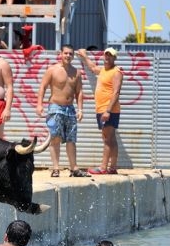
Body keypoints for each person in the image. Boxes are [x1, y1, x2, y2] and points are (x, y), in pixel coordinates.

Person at [36, 44, 88, 178]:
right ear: (61, 54)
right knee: (55, 138)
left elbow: (79, 92)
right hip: (55, 107)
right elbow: (43, 87)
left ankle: (74, 168)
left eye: (70, 54)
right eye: (66, 53)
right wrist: (39, 105)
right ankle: (55, 168)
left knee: (71, 139)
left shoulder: (76, 72)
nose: (68, 56)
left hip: (70, 109)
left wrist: (80, 109)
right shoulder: (52, 70)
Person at [77, 47, 123, 175]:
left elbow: (116, 92)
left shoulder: (116, 72)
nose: (107, 58)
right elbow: (92, 68)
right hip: (102, 108)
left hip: (108, 109)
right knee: (110, 138)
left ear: (114, 58)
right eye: (106, 55)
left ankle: (103, 167)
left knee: (107, 138)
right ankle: (112, 168)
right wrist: (84, 55)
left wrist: (108, 111)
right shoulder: (103, 70)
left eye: (110, 56)